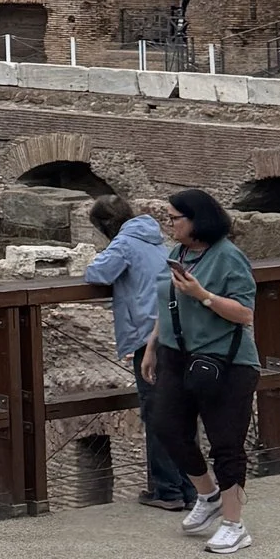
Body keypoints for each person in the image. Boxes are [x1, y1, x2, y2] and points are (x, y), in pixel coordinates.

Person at [144, 191, 261, 556]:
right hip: (176, 355)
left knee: (225, 441)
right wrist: (152, 346)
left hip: (225, 361)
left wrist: (204, 295)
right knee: (165, 425)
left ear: (197, 220)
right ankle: (207, 494)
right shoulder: (177, 254)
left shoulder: (228, 257)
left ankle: (234, 524)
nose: (170, 224)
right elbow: (169, 305)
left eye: (175, 218)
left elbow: (245, 313)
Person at [83, 205, 195, 509]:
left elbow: (97, 273)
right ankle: (190, 488)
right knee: (180, 413)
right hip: (176, 332)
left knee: (158, 412)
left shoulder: (124, 242)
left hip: (149, 336)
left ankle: (168, 491)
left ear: (105, 225)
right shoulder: (158, 241)